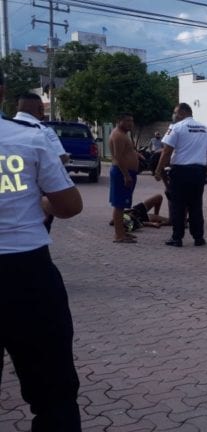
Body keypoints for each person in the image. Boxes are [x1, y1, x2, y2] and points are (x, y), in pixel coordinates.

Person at [1, 65, 85, 431]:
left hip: (28, 272)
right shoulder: (28, 138)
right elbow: (69, 206)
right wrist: (42, 203)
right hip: (27, 275)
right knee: (53, 394)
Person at [154, 102, 207, 247]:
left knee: (178, 206)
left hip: (180, 172)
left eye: (175, 112)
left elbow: (166, 151)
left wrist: (158, 170)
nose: (174, 115)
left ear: (181, 113)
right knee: (196, 206)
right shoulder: (205, 128)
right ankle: (198, 238)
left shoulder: (176, 128)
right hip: (198, 173)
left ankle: (177, 238)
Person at [15, 92, 70, 232]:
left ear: (18, 108)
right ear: (40, 109)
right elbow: (60, 158)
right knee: (40, 229)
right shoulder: (43, 131)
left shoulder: (7, 128)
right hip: (37, 193)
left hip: (11, 190)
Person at [109, 113, 139, 243]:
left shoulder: (123, 135)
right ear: (119, 121)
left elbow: (126, 152)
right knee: (119, 205)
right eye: (127, 121)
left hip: (127, 172)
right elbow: (118, 157)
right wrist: (126, 175)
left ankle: (122, 232)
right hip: (122, 173)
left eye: (131, 121)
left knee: (123, 204)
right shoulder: (118, 136)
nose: (130, 124)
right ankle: (119, 235)